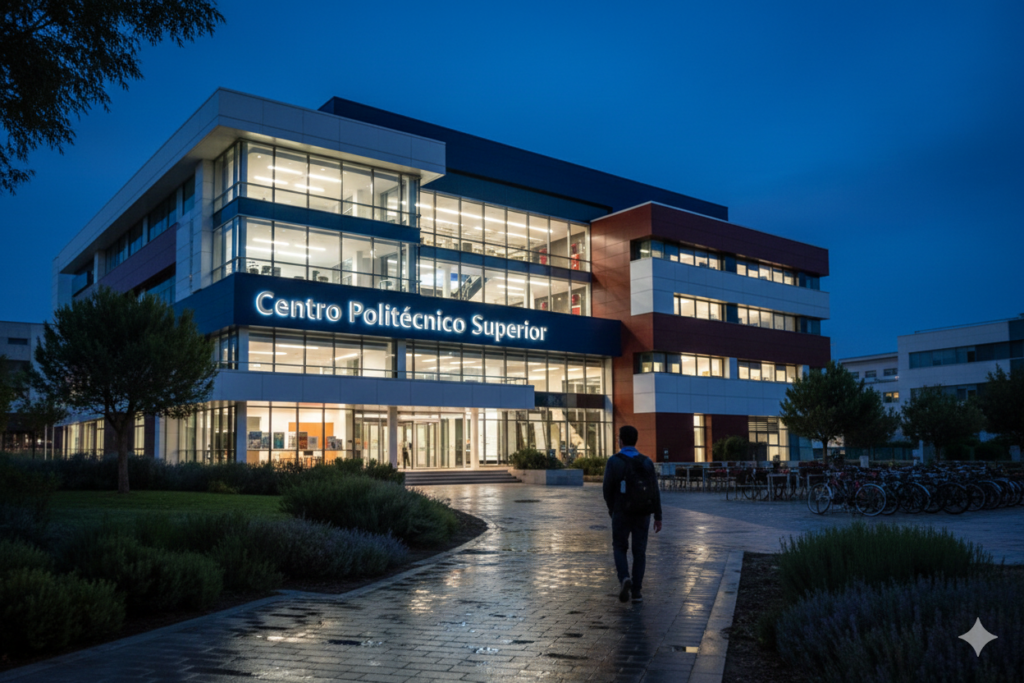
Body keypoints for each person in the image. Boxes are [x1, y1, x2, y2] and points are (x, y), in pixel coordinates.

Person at [602, 425, 662, 603]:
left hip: (621, 511)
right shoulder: (647, 462)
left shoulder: (614, 461)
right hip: (643, 513)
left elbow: (606, 489)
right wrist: (658, 516)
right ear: (635, 440)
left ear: (620, 440)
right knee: (639, 551)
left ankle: (624, 578)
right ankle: (637, 592)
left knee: (619, 547)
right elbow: (654, 490)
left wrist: (612, 508)